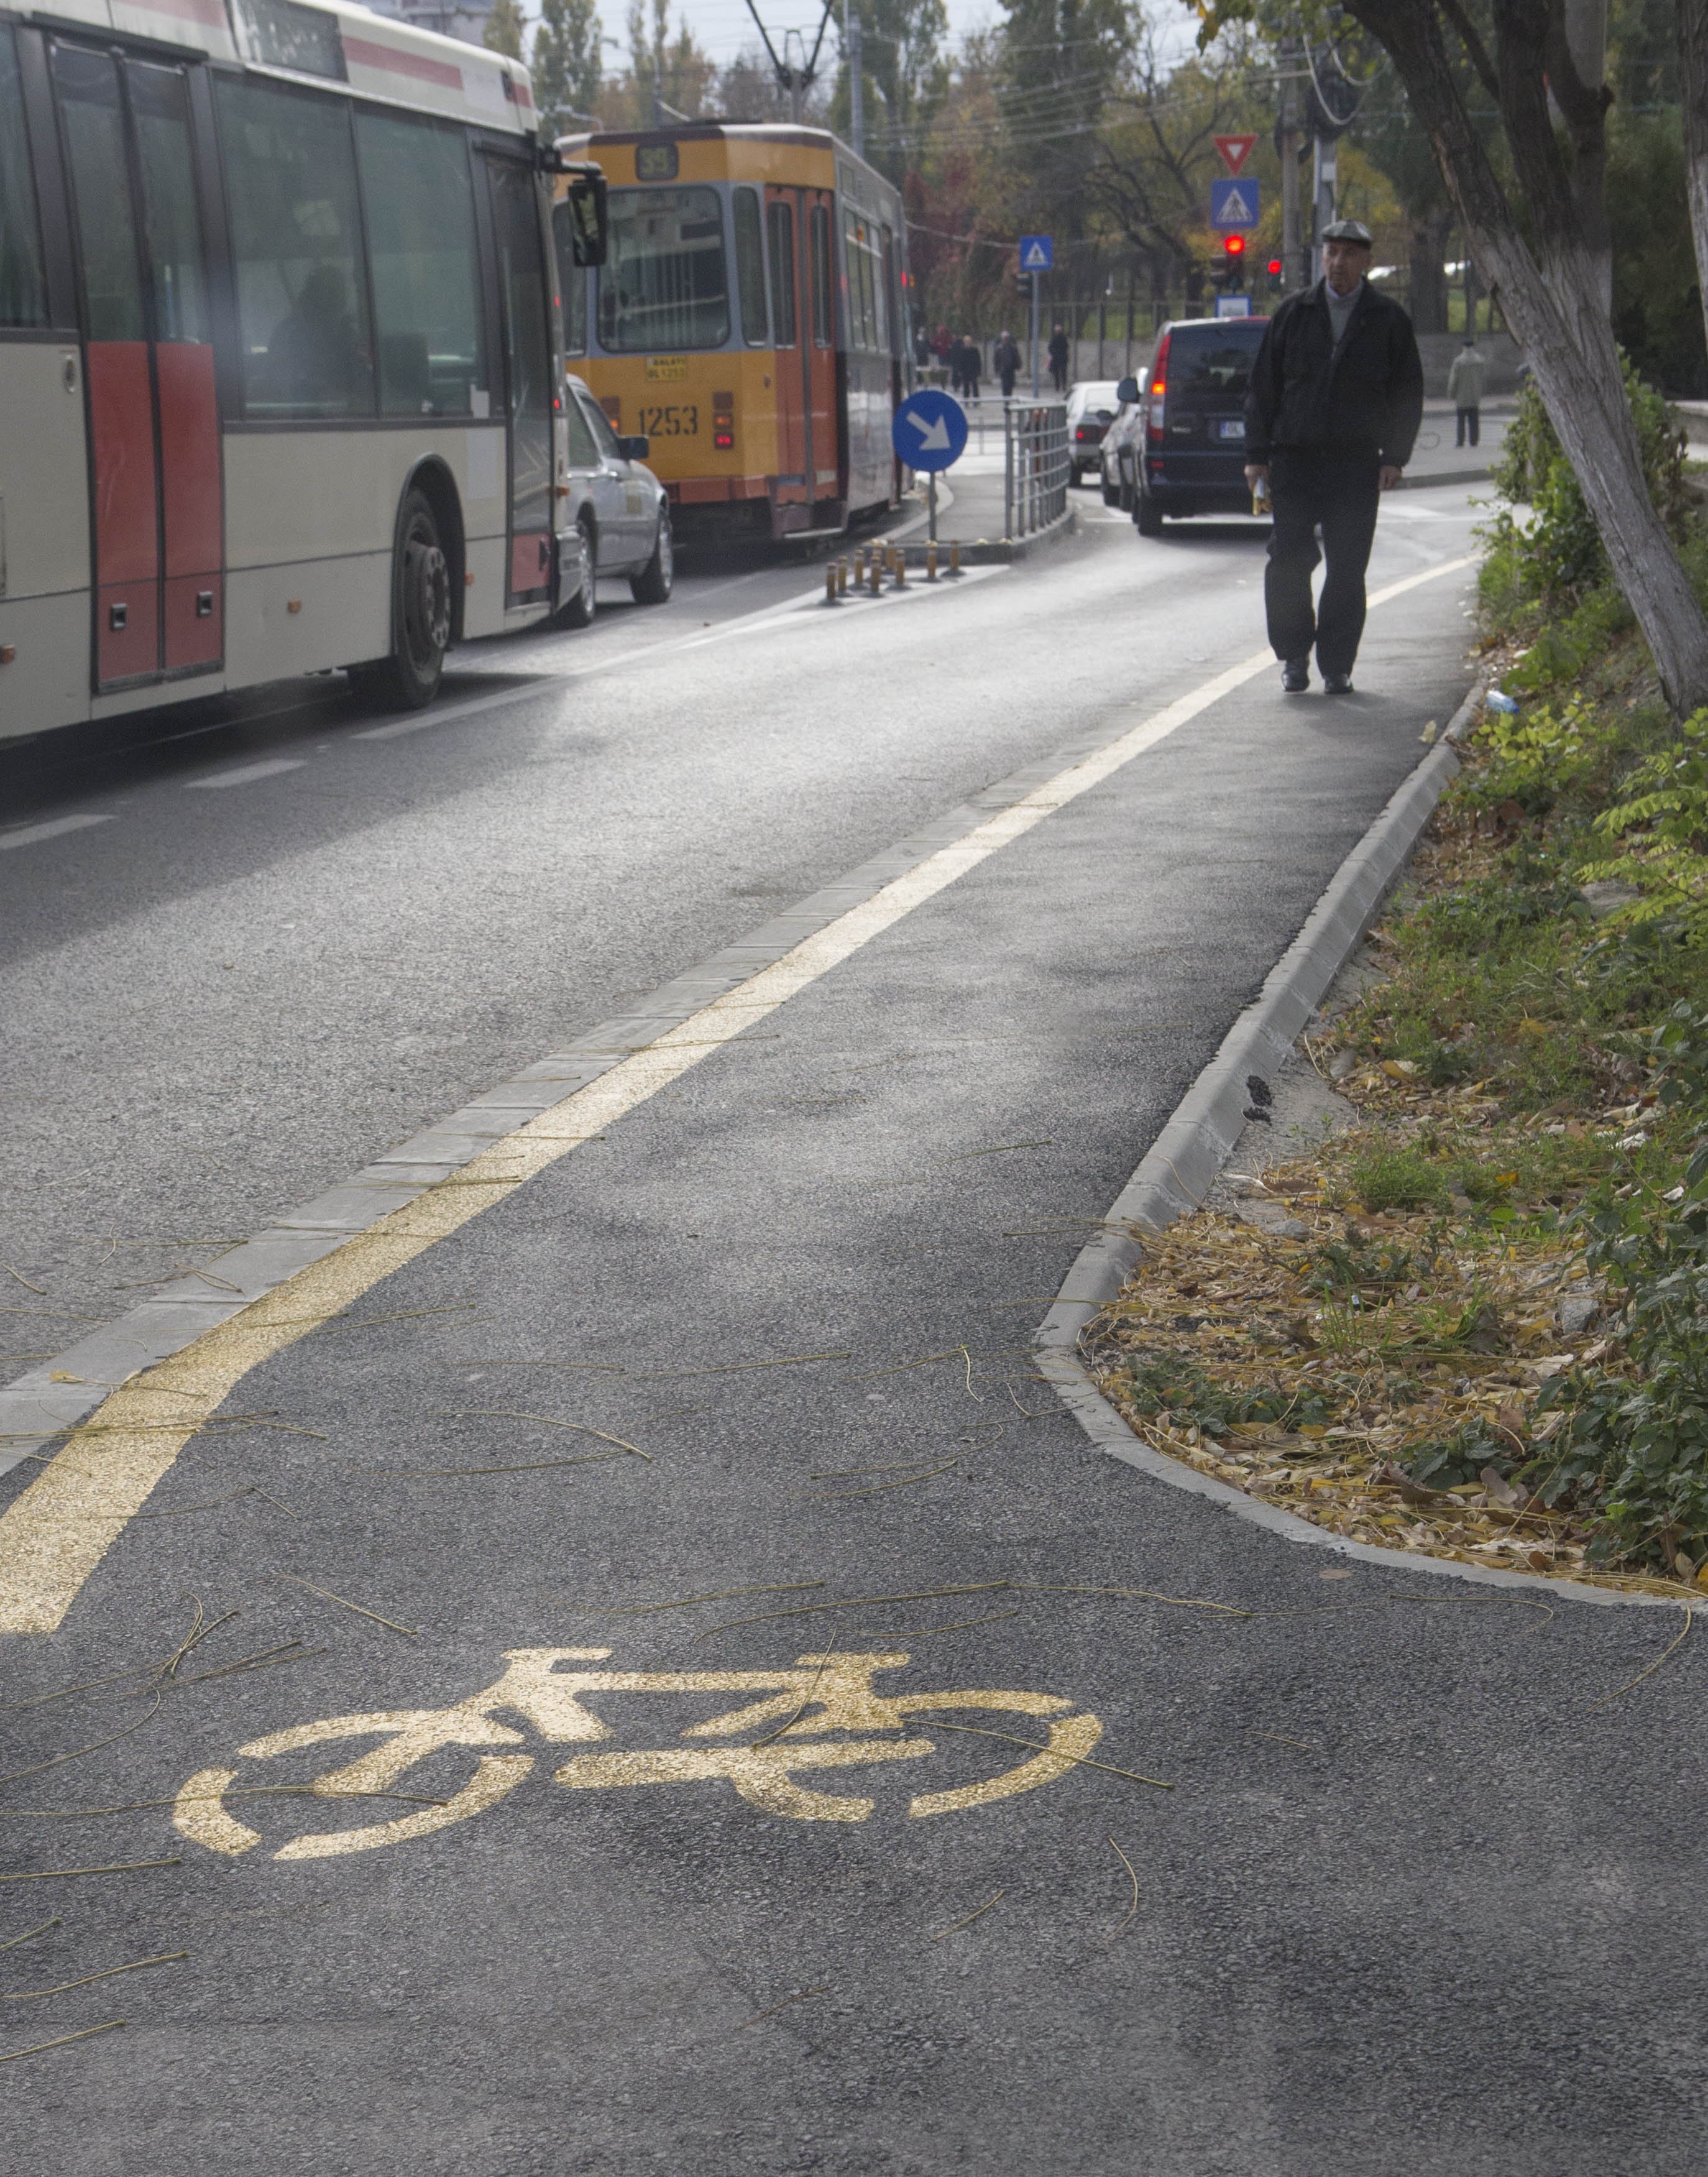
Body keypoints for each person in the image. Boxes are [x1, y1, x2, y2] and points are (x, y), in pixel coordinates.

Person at [1243, 217, 1424, 695]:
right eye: (1331, 252)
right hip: (1294, 460)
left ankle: (1337, 666)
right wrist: (1256, 456)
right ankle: (1294, 656)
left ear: (1366, 261)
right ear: (1321, 257)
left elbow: (1408, 392)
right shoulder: (1294, 313)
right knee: (1287, 559)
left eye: (1348, 253)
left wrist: (1395, 456)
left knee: (1347, 567)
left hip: (1355, 463)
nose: (1338, 262)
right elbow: (1264, 387)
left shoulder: (1387, 320)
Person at [1448, 333, 1487, 447]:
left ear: (1464, 347)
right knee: (1474, 421)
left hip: (1462, 396)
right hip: (1475, 396)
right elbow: (1482, 379)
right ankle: (1474, 441)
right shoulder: (1480, 361)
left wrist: (1451, 393)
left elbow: (1453, 379)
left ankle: (1460, 442)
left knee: (1461, 421)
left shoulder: (1458, 361)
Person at [994, 328, 1020, 398]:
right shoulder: (999, 349)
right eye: (1004, 338)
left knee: (1011, 385)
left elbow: (1016, 357)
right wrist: (997, 369)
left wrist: (1018, 366)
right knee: (1005, 385)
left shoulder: (1013, 348)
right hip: (1003, 370)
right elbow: (996, 360)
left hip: (1011, 369)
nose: (1005, 340)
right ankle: (1006, 399)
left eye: (1007, 338)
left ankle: (1009, 397)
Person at [1047, 322, 1069, 394]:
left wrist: (1053, 354)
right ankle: (1063, 386)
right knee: (1063, 373)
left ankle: (1057, 387)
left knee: (1057, 373)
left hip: (1056, 358)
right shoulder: (1064, 338)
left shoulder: (1054, 338)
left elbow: (1050, 348)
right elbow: (1066, 347)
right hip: (1063, 358)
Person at [960, 333, 981, 402]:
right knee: (966, 386)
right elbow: (960, 362)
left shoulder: (975, 350)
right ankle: (966, 400)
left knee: (975, 386)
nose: (968, 343)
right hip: (965, 371)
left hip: (973, 371)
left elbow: (978, 361)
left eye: (969, 342)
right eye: (967, 342)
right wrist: (961, 371)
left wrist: (978, 370)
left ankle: (976, 400)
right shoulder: (962, 351)